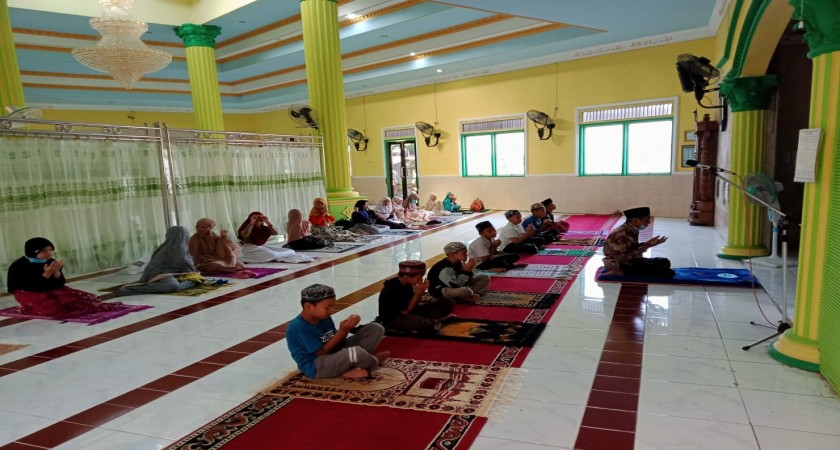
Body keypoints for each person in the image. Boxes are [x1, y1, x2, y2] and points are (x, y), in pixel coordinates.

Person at [286, 284, 389, 379]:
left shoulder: (324, 317)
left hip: (334, 355)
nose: (331, 311)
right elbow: (321, 352)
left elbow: (337, 342)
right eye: (327, 307)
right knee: (355, 352)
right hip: (317, 365)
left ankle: (352, 365)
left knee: (375, 328)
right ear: (308, 306)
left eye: (332, 307)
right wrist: (342, 331)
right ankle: (371, 361)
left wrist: (345, 329)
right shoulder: (298, 327)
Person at [6, 237, 125, 318]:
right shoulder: (20, 266)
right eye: (44, 251)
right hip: (28, 292)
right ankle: (28, 307)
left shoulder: (50, 261)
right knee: (51, 310)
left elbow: (60, 283)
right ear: (33, 251)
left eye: (51, 249)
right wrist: (47, 273)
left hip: (49, 289)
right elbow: (35, 287)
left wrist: (56, 271)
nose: (49, 253)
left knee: (78, 300)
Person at [117, 226, 204, 296]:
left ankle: (179, 286)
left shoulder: (181, 247)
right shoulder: (169, 248)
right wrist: (192, 270)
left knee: (196, 279)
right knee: (171, 286)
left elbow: (186, 263)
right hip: (160, 274)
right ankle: (130, 290)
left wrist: (192, 270)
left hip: (173, 273)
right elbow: (183, 264)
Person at [376, 261, 454, 333]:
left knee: (447, 303)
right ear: (406, 277)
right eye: (418, 278)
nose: (420, 280)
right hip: (394, 318)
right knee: (422, 323)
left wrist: (420, 294)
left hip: (410, 312)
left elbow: (415, 305)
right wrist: (417, 294)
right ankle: (434, 322)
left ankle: (433, 321)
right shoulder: (392, 289)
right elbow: (406, 312)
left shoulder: (408, 284)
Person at [603, 207, 674, 278]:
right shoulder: (620, 234)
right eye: (646, 220)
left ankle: (632, 271)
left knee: (665, 262)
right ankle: (619, 272)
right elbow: (623, 257)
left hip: (631, 260)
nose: (649, 222)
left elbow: (631, 248)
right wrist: (646, 246)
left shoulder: (631, 230)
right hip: (620, 264)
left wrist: (648, 244)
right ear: (635, 220)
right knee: (669, 273)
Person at [189, 218, 254, 277]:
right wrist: (207, 259)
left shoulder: (216, 237)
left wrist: (223, 238)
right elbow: (194, 256)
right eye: (197, 226)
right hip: (204, 262)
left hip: (218, 260)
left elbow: (225, 252)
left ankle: (225, 268)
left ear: (210, 228)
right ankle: (228, 269)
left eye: (203, 227)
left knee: (240, 265)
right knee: (214, 266)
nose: (199, 229)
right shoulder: (194, 239)